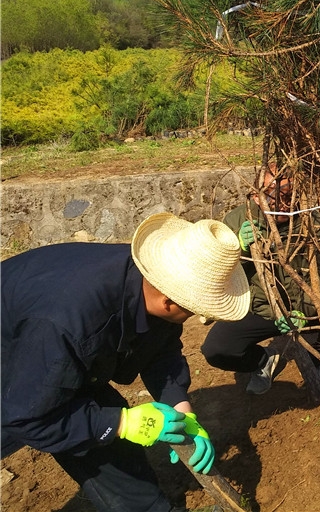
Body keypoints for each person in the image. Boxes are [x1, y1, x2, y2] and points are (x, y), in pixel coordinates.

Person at [1, 213, 251, 512]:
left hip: (49, 345)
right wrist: (122, 422)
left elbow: (161, 350)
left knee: (106, 436)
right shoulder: (69, 323)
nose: (199, 319)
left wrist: (184, 414)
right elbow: (27, 417)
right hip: (18, 359)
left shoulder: (155, 277)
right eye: (193, 312)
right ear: (169, 302)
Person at [201, 165, 320, 396]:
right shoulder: (237, 220)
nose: (286, 203)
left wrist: (305, 311)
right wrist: (238, 247)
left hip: (301, 307)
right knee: (216, 349)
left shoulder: (308, 219)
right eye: (278, 196)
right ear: (256, 195)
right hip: (259, 307)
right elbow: (221, 271)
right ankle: (262, 361)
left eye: (290, 195)